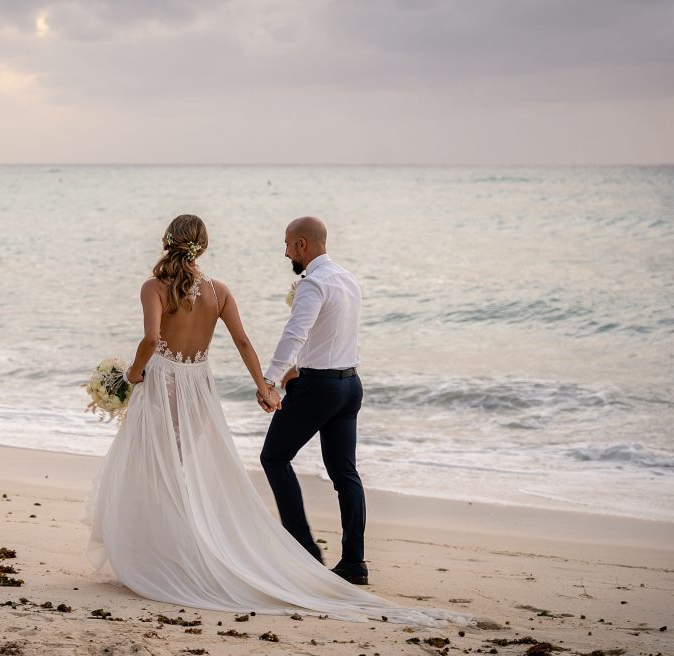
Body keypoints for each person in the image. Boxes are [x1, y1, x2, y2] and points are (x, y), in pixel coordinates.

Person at [86, 214, 470, 625]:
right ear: (204, 246)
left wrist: (131, 375)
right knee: (182, 466)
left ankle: (164, 554)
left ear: (167, 241)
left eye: (289, 244)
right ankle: (342, 558)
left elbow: (150, 339)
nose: (286, 250)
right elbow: (243, 341)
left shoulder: (154, 288)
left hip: (163, 384)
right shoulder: (220, 292)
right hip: (204, 389)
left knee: (153, 465)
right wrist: (263, 383)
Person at [257, 216, 369, 585]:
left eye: (288, 244)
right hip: (350, 385)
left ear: (302, 245)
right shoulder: (348, 278)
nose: (286, 251)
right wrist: (297, 372)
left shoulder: (313, 283)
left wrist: (270, 379)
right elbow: (332, 336)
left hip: (320, 389)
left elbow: (295, 333)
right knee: (345, 475)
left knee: (274, 457)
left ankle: (304, 553)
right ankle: (354, 562)